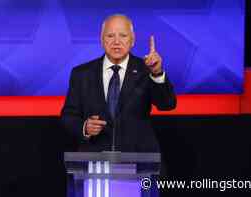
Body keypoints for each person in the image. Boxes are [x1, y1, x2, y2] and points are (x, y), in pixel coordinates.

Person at [61, 14, 176, 152]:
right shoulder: (82, 73)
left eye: (123, 35)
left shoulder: (146, 70)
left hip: (138, 159)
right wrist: (85, 127)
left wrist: (156, 73)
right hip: (95, 160)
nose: (116, 41)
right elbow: (68, 116)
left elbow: (167, 104)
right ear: (102, 40)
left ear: (132, 40)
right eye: (110, 36)